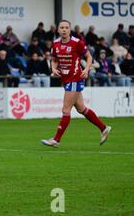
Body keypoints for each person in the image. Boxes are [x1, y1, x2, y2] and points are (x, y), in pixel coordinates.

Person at [41, 20, 111, 148]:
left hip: (75, 78)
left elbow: (89, 57)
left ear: (70, 29)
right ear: (58, 30)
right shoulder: (55, 44)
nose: (64, 30)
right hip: (66, 79)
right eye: (61, 27)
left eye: (66, 27)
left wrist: (86, 69)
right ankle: (104, 128)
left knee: (65, 109)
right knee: (81, 109)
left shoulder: (77, 43)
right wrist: (53, 67)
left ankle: (56, 139)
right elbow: (55, 59)